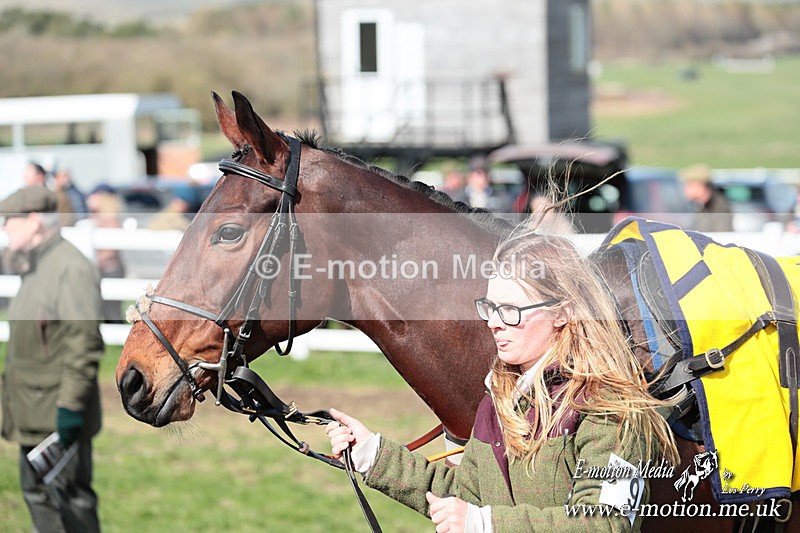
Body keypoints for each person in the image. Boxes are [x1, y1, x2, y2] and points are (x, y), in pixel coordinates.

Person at [327, 225, 678, 532]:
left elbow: (607, 522)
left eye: (510, 310)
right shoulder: (498, 401)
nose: (493, 323)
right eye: (491, 308)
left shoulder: (610, 406)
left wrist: (487, 524)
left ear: (562, 313)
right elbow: (467, 499)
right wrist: (372, 454)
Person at [0, 186, 104, 532]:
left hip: (57, 418)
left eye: (9, 220)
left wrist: (70, 407)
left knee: (70, 506)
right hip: (33, 413)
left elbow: (83, 344)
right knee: (39, 499)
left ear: (33, 221)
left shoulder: (70, 268)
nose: (4, 228)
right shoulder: (37, 265)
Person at [85, 184, 127, 323]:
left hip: (110, 269)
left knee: (112, 311)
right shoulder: (98, 217)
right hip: (106, 269)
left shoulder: (110, 220)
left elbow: (110, 249)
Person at [679, 163, 733, 232]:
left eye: (690, 185)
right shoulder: (699, 205)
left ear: (701, 186)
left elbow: (721, 235)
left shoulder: (719, 207)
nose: (685, 189)